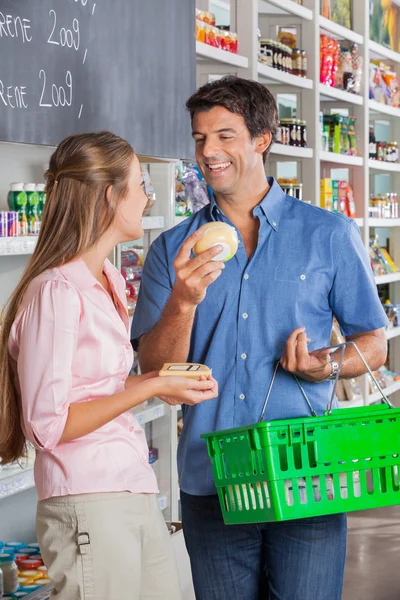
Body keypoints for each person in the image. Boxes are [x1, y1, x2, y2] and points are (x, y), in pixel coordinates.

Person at [131, 76, 388, 600]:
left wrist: (326, 365)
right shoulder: (173, 249)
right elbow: (152, 371)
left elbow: (374, 341)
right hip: (213, 480)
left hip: (306, 476)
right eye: (201, 138)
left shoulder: (327, 234)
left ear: (262, 139)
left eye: (225, 136)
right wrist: (183, 301)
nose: (209, 152)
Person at [0, 131, 218, 600]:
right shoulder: (56, 291)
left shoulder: (108, 280)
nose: (148, 196)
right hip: (86, 499)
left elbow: (99, 387)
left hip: (131, 485)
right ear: (109, 195)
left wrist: (164, 383)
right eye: (140, 184)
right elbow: (47, 425)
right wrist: (150, 385)